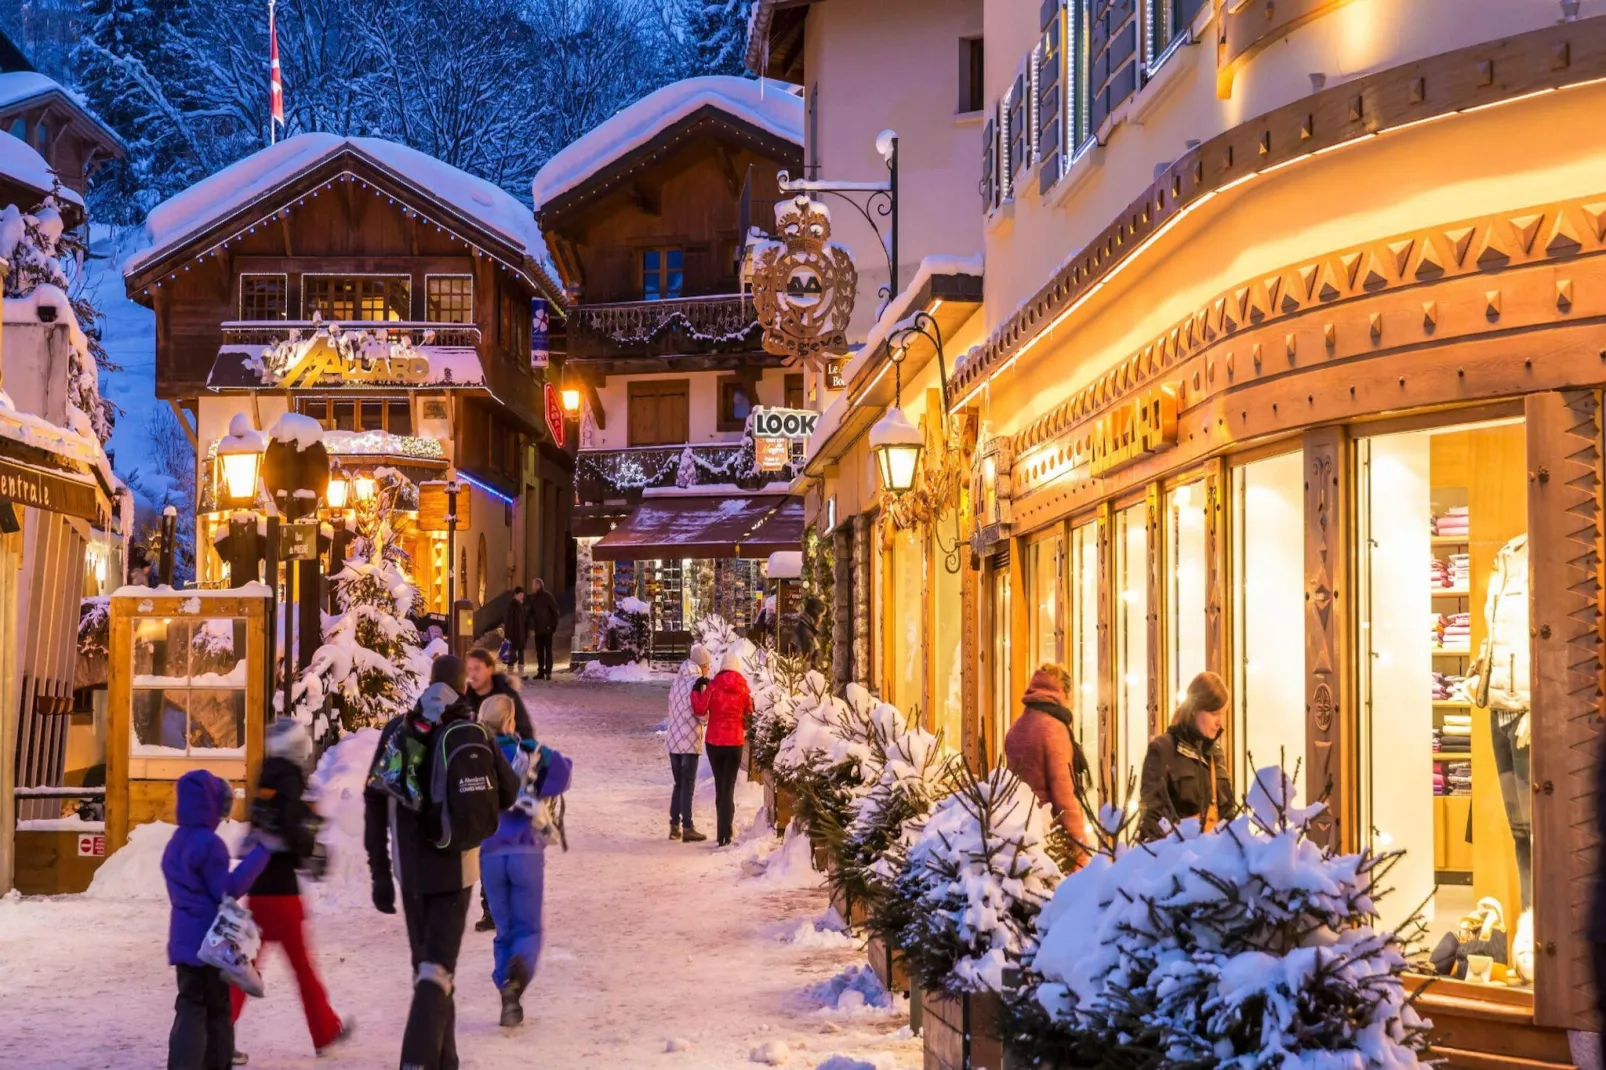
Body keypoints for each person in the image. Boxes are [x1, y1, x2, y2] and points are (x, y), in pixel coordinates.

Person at [365, 654, 519, 1070]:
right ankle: (416, 1063)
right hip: (457, 869)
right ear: (462, 688)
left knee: (430, 972)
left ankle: (444, 1062)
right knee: (436, 974)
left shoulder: (399, 730)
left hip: (410, 872)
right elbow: (508, 792)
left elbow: (374, 798)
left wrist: (379, 869)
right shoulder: (471, 732)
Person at [231, 720, 352, 1057]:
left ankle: (219, 1030)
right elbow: (293, 833)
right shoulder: (288, 780)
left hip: (261, 886)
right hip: (282, 891)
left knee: (248, 967)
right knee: (301, 968)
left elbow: (266, 828)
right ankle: (325, 1031)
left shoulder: (266, 777)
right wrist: (310, 830)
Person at [163, 769, 270, 1070]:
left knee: (189, 1007)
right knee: (217, 1011)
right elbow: (229, 889)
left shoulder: (177, 841)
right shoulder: (210, 844)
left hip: (183, 942)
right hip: (210, 942)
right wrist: (261, 854)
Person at [475, 694, 545, 1027]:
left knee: (503, 931)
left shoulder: (475, 756)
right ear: (508, 722)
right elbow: (562, 774)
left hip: (490, 854)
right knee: (528, 929)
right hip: (525, 852)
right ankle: (515, 982)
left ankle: (506, 985)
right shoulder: (524, 753)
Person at [464, 647, 535, 931]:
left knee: (490, 864)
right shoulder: (513, 751)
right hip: (509, 817)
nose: (471, 675)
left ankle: (491, 910)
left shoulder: (481, 747)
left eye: (476, 669)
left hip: (488, 819)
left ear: (489, 669)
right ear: (508, 723)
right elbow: (522, 780)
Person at [1002, 664, 1090, 865]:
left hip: (1020, 829)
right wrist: (1080, 845)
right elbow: (1064, 793)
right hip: (1051, 836)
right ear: (1064, 692)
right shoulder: (1054, 729)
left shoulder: (1017, 727)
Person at [1137, 671, 1236, 842]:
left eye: (1222, 714)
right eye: (1214, 714)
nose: (1219, 721)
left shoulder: (1215, 754)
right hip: (1178, 862)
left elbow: (1228, 814)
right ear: (1194, 709)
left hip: (1215, 863)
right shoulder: (1163, 750)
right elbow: (1151, 821)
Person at [690, 650, 751, 847]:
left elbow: (700, 709)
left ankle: (721, 833)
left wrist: (695, 690)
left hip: (715, 743)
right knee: (729, 787)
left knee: (719, 786)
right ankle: (727, 831)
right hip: (735, 743)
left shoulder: (714, 686)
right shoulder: (744, 688)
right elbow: (749, 716)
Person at [664, 645, 711, 842]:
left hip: (673, 740)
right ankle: (688, 827)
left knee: (678, 784)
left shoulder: (677, 680)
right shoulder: (697, 682)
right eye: (707, 665)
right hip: (689, 740)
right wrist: (707, 717)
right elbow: (700, 713)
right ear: (702, 665)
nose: (709, 669)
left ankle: (674, 826)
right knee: (688, 785)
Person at [527, 579, 560, 680]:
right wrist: (531, 625)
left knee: (548, 650)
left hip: (547, 629)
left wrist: (552, 627)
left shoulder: (547, 596)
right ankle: (541, 671)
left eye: (533, 585)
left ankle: (548, 672)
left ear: (538, 586)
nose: (532, 587)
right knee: (539, 651)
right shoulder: (533, 599)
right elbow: (531, 613)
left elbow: (555, 612)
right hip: (538, 629)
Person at [502, 588, 528, 673]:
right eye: (520, 594)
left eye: (522, 595)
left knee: (520, 653)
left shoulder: (520, 605)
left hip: (520, 633)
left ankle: (520, 673)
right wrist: (508, 635)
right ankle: (511, 672)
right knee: (512, 653)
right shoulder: (512, 605)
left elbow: (524, 621)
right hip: (514, 634)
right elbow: (509, 621)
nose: (522, 596)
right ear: (516, 595)